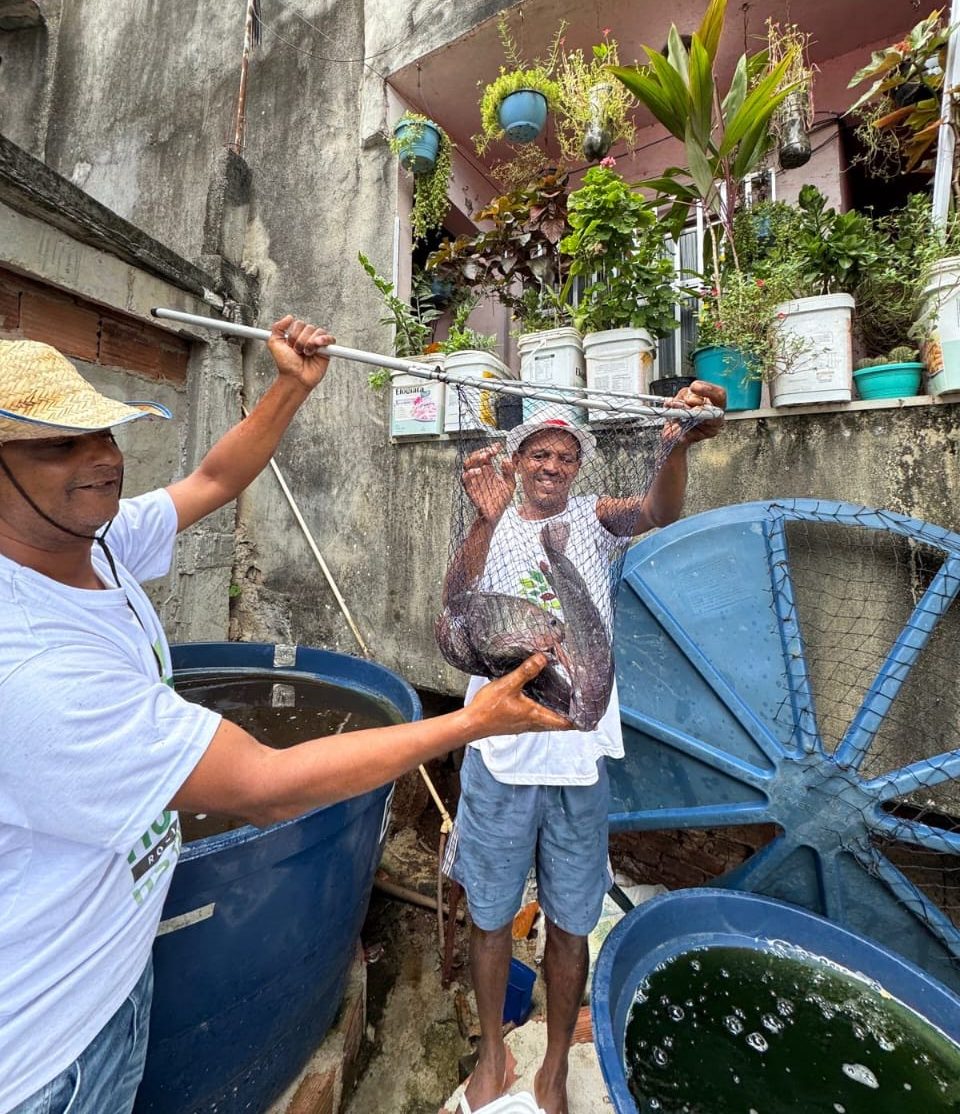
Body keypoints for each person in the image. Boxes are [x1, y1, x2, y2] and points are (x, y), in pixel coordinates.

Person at [0, 322, 571, 1114]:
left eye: (102, 431)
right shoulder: (29, 668)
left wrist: (293, 385)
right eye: (59, 445)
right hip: (44, 1055)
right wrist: (470, 725)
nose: (100, 456)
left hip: (108, 980)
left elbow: (209, 479)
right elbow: (262, 785)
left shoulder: (90, 545)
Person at [442, 384, 726, 1114]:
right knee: (490, 914)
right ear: (517, 459)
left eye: (566, 457)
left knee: (570, 920)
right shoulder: (488, 520)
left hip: (575, 755)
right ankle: (494, 1050)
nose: (552, 466)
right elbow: (455, 610)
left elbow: (659, 513)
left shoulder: (593, 522)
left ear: (576, 469)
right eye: (539, 452)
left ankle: (558, 1068)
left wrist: (676, 449)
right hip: (501, 751)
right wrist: (483, 519)